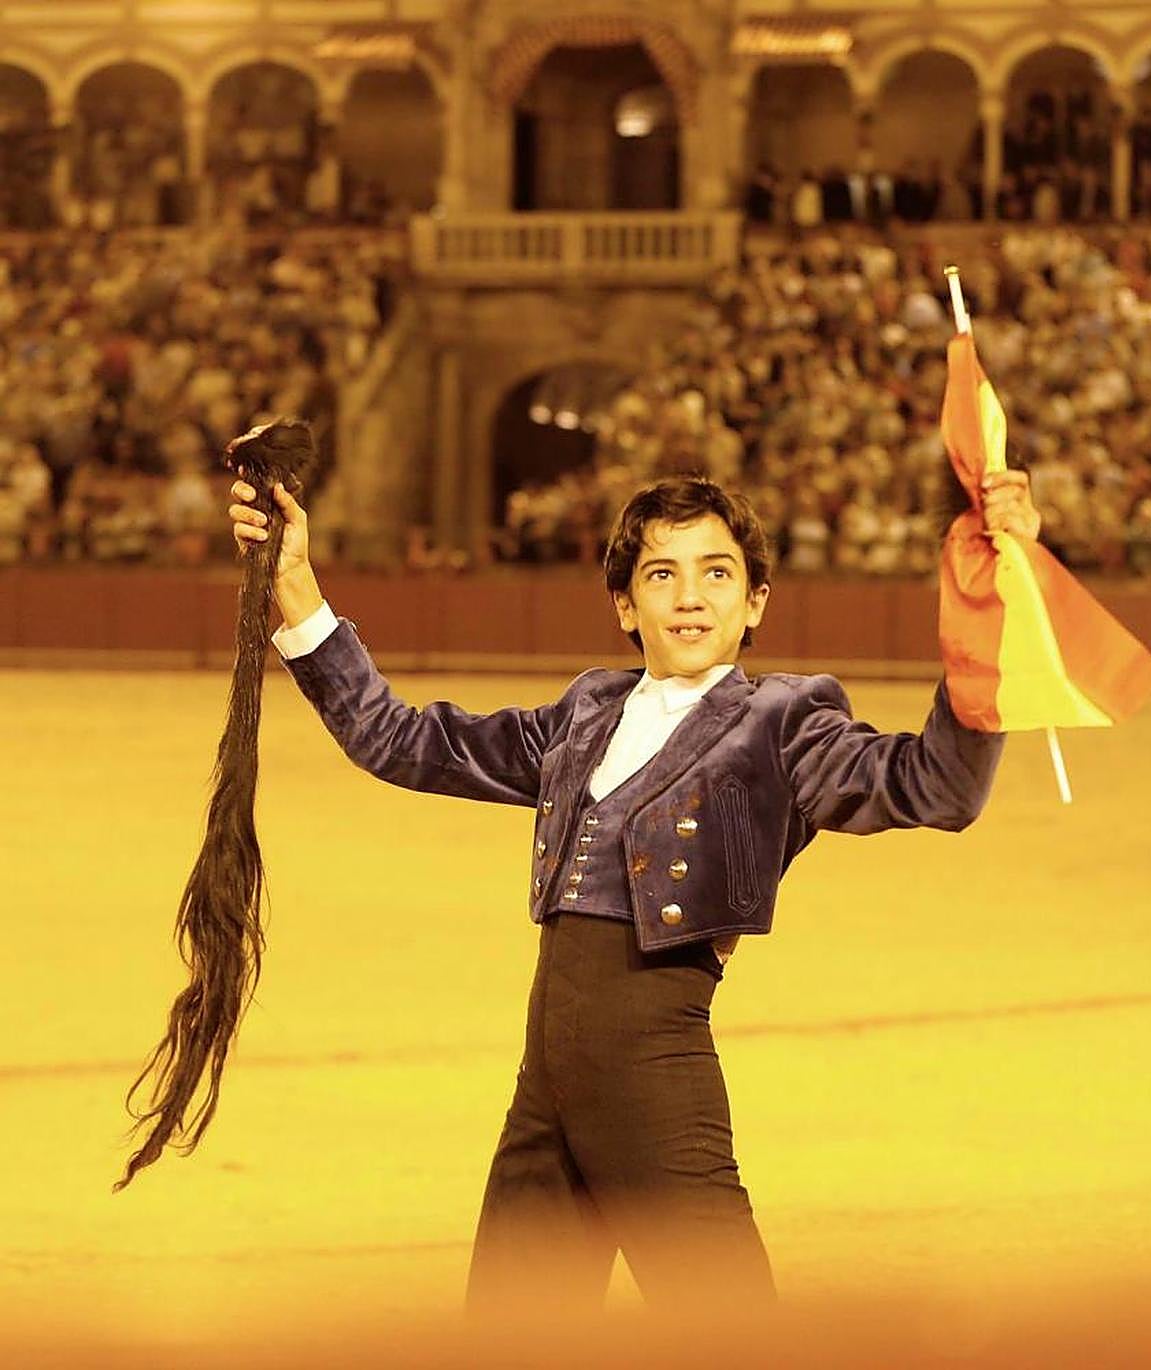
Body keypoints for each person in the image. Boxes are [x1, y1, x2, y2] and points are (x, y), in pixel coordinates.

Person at [227, 465, 1041, 1311]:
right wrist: (294, 583)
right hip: (545, 1090)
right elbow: (398, 741)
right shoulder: (584, 712)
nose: (691, 598)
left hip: (657, 1077)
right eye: (663, 575)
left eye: (716, 573)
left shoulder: (788, 724)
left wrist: (996, 605)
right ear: (625, 605)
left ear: (757, 600)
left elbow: (939, 787)